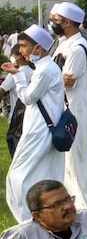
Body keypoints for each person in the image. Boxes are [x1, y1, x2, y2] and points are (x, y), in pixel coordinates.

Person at [1, 25, 65, 224]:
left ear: (38, 48)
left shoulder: (46, 69)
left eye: (23, 46)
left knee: (17, 178)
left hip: (39, 131)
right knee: (40, 175)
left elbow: (28, 97)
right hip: (41, 129)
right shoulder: (45, 68)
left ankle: (27, 221)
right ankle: (43, 217)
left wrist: (17, 75)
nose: (20, 51)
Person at [49, 2, 87, 213]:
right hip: (67, 109)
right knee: (68, 161)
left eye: (56, 20)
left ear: (67, 22)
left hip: (78, 110)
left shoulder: (78, 48)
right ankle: (74, 202)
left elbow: (67, 80)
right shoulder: (63, 44)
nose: (53, 24)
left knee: (79, 161)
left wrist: (46, 78)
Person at [0, 44, 30, 158]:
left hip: (16, 116)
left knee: (15, 147)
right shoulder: (33, 70)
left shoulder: (16, 73)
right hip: (30, 115)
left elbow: (2, 90)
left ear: (17, 57)